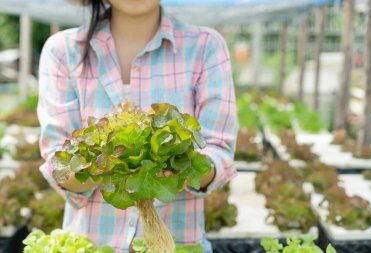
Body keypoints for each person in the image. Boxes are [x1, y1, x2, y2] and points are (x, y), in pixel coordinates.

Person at [37, 0, 237, 252]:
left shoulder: (206, 46)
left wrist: (177, 167)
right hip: (90, 244)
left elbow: (219, 150)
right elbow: (58, 160)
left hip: (177, 243)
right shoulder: (63, 51)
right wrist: (106, 164)